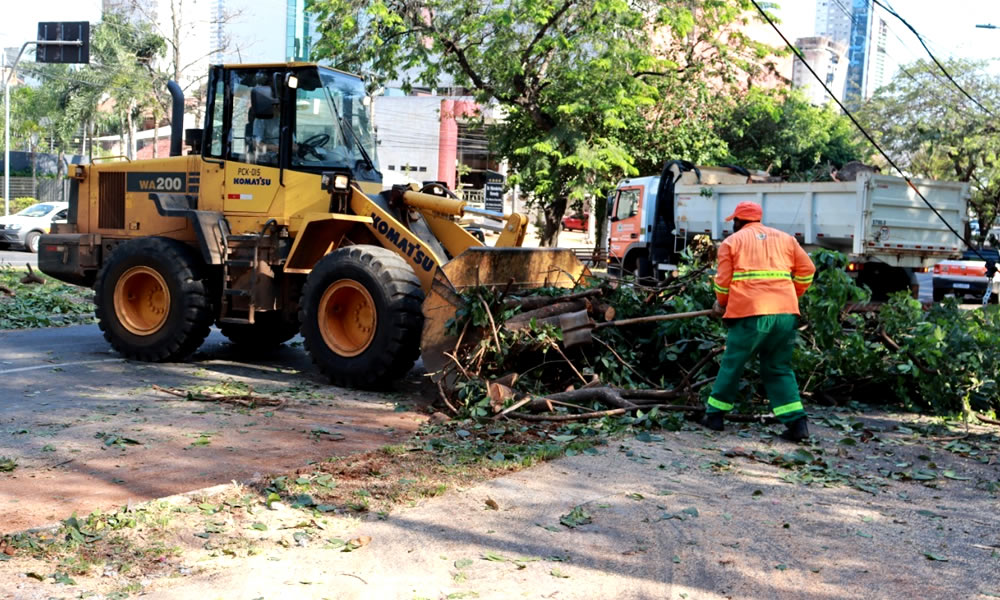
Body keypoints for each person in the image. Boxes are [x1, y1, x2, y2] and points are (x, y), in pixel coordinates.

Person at [701, 201, 816, 441]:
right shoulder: (786, 239)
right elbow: (808, 270)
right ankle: (797, 424)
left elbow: (722, 283)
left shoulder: (732, 242)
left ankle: (714, 417)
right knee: (778, 367)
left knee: (733, 364)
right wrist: (793, 294)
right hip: (785, 314)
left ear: (738, 221)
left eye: (734, 221)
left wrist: (722, 303)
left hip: (749, 313)